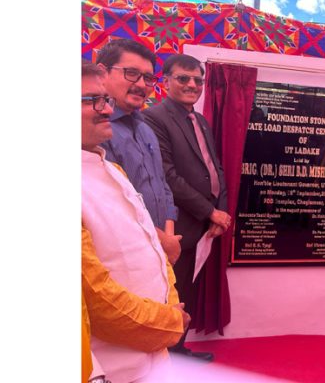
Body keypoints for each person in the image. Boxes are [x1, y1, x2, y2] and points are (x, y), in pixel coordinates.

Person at [81, 61, 189, 383]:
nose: (105, 110)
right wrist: (170, 322)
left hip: (155, 355)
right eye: (91, 101)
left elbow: (150, 246)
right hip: (112, 367)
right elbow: (97, 298)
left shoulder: (112, 170)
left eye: (105, 100)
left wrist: (169, 309)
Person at [142, 54, 230, 361]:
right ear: (165, 81)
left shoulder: (200, 120)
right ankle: (166, 358)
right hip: (176, 226)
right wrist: (210, 211)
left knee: (188, 292)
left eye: (198, 80)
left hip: (204, 225)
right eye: (183, 78)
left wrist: (222, 212)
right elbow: (168, 176)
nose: (192, 85)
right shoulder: (154, 118)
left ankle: (179, 351)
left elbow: (214, 168)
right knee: (172, 293)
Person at [96, 39, 182, 264]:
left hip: (160, 250)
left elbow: (162, 184)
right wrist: (162, 241)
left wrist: (168, 236)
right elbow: (113, 203)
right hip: (121, 255)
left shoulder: (145, 129)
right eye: (132, 73)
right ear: (102, 73)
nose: (142, 84)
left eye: (148, 78)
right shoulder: (95, 129)